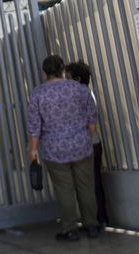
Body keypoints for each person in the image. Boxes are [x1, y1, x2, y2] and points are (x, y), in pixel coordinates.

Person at [26, 54, 99, 241]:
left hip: (54, 148)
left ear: (44, 73)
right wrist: (83, 137)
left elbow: (34, 127)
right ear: (62, 69)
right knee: (86, 187)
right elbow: (92, 120)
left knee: (64, 189)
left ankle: (70, 228)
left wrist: (33, 150)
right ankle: (91, 225)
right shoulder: (80, 90)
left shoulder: (38, 94)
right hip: (82, 144)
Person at [66, 60, 109, 229]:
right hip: (92, 143)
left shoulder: (81, 95)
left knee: (88, 185)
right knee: (93, 183)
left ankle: (96, 220)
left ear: (76, 79)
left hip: (87, 145)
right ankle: (99, 218)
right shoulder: (86, 93)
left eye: (68, 78)